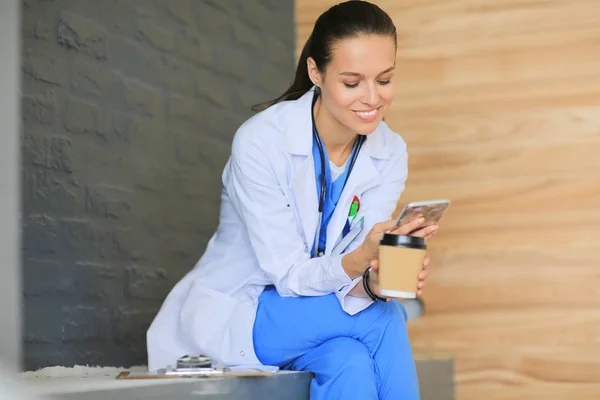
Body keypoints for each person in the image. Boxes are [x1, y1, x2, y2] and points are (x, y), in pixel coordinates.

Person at [147, 1, 439, 399]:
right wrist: (360, 265)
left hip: (318, 314)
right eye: (352, 82)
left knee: (349, 361)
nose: (372, 98)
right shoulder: (262, 141)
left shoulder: (389, 151)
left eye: (384, 80)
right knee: (385, 319)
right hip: (247, 312)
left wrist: (374, 277)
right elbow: (288, 276)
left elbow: (353, 273)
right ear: (315, 72)